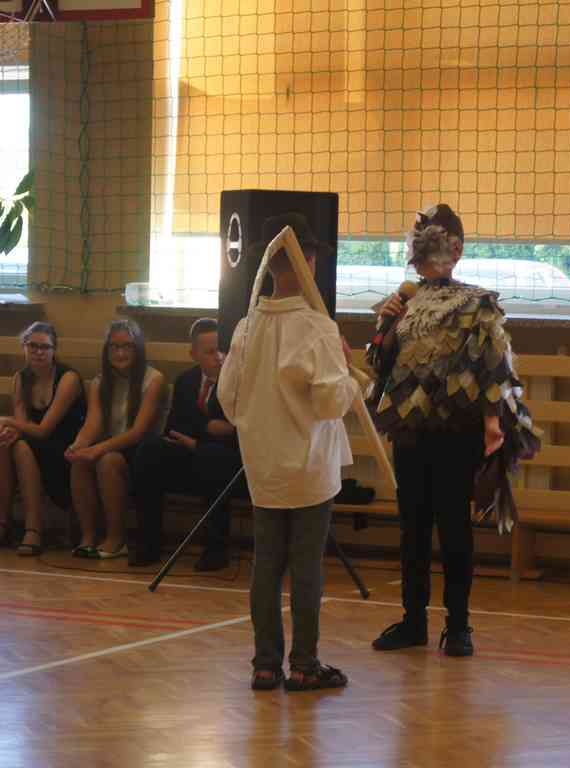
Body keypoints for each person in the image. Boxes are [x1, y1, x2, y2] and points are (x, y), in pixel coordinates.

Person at [366, 203, 540, 657]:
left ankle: (458, 625)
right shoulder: (403, 301)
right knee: (412, 528)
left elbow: (493, 370)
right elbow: (379, 365)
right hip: (410, 431)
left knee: (454, 528)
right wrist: (387, 326)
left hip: (456, 433)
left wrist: (493, 425)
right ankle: (412, 620)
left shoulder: (477, 304)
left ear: (456, 249)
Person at [218, 212, 360, 692]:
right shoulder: (317, 329)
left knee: (267, 565)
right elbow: (330, 402)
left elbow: (228, 400)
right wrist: (350, 377)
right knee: (305, 568)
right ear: (309, 260)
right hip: (309, 467)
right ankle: (303, 664)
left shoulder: (246, 328)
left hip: (264, 465)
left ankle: (265, 664)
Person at [130, 317, 243, 569]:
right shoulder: (186, 381)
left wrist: (199, 439)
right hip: (191, 453)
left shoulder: (240, 383)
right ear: (194, 354)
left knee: (213, 458)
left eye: (223, 350)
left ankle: (216, 550)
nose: (219, 357)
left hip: (227, 463)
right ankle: (149, 544)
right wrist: (207, 428)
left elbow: (240, 434)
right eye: (210, 352)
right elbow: (175, 428)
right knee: (149, 451)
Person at [0, 322, 86, 555]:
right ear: (24, 347)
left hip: (65, 451)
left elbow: (44, 430)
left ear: (54, 350)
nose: (38, 352)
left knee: (20, 447)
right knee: (4, 443)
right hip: (34, 446)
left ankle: (33, 528)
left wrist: (2, 421)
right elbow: (23, 427)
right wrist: (7, 429)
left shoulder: (68, 378)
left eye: (45, 347)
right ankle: (3, 522)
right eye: (32, 346)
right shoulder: (21, 378)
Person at [66, 319, 166, 559]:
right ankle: (88, 537)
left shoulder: (153, 379)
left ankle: (116, 539)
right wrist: (78, 446)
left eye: (127, 346)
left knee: (107, 461)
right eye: (114, 346)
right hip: (110, 445)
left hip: (142, 453)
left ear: (138, 348)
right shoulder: (99, 382)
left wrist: (97, 450)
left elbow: (138, 432)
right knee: (80, 461)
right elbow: (93, 424)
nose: (120, 353)